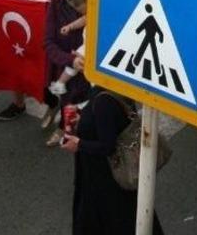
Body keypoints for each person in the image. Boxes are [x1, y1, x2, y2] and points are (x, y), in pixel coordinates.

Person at [63, 86, 164, 234]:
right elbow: (112, 123)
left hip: (106, 178)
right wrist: (83, 119)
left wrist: (79, 144)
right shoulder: (115, 89)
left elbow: (108, 146)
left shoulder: (103, 101)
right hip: (114, 176)